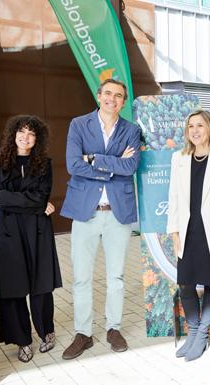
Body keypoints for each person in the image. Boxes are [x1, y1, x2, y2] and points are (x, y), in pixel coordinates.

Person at [60, 79, 141, 360]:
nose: (112, 99)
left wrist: (93, 158)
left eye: (118, 96)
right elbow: (73, 164)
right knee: (82, 278)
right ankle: (83, 333)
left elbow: (131, 166)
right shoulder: (78, 125)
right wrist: (111, 164)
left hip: (117, 213)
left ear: (123, 101)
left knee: (116, 276)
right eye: (108, 93)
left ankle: (113, 328)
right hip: (86, 212)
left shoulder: (132, 130)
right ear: (99, 96)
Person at [0, 115, 62, 363]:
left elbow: (37, 198)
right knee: (13, 287)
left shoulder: (44, 164)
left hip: (37, 230)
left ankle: (46, 331)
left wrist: (7, 198)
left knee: (41, 286)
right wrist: (33, 203)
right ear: (13, 134)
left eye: (31, 133)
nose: (25, 137)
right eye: (21, 132)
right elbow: (4, 198)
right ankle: (23, 341)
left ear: (37, 139)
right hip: (7, 232)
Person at [167, 110, 210, 361]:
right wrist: (174, 230)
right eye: (191, 126)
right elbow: (174, 196)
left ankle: (201, 337)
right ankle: (195, 331)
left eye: (200, 125)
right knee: (186, 283)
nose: (195, 130)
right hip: (187, 228)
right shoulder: (178, 158)